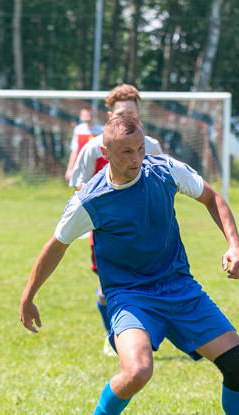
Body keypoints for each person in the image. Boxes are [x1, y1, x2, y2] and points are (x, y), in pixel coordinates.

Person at [20, 116, 239, 415]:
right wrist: (29, 296)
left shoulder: (163, 169)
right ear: (105, 153)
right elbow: (56, 246)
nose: (136, 158)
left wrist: (235, 245)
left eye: (139, 149)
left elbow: (212, 197)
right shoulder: (90, 200)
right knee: (137, 372)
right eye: (125, 152)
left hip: (180, 288)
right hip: (131, 296)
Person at [69, 84, 163, 356]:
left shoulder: (151, 146)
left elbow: (162, 181)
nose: (127, 119)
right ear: (110, 115)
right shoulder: (93, 147)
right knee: (105, 288)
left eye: (132, 114)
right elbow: (79, 186)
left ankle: (140, 335)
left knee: (145, 284)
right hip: (106, 232)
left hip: (144, 232)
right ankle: (112, 334)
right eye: (121, 113)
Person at [64, 108, 103, 183]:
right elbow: (74, 151)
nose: (87, 117)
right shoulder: (78, 130)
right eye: (84, 115)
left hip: (97, 165)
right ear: (80, 116)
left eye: (89, 115)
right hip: (82, 165)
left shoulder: (101, 130)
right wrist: (69, 169)